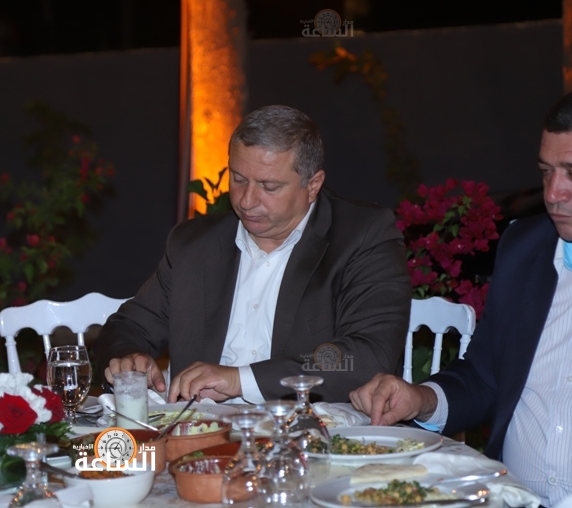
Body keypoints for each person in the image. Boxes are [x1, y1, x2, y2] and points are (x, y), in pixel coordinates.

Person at [350, 82, 572, 507]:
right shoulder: (527, 249)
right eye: (546, 171)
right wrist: (421, 399)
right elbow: (486, 374)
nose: (553, 194)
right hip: (508, 498)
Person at [95, 105, 411, 404]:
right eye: (238, 179)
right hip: (199, 430)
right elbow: (128, 328)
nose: (246, 201)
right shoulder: (194, 244)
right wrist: (128, 357)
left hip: (308, 430)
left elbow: (366, 356)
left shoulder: (361, 237)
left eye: (268, 186)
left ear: (313, 184)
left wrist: (240, 380)